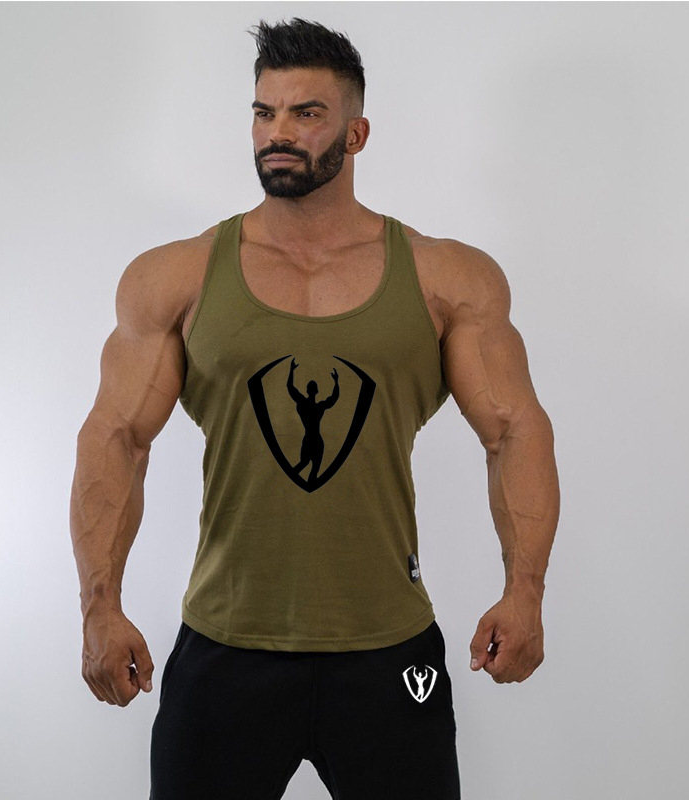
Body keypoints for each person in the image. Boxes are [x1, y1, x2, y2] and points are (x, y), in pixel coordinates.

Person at [69, 17, 560, 800]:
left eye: (306, 113)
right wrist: (100, 607)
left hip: (389, 650)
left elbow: (513, 430)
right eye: (264, 113)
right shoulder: (176, 278)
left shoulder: (445, 278)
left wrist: (525, 592)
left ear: (355, 133)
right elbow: (117, 437)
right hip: (224, 646)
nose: (278, 133)